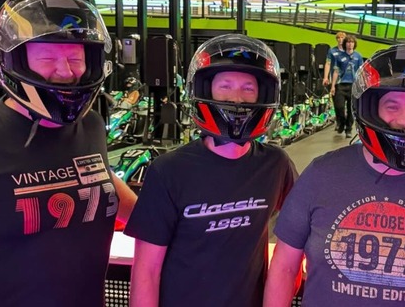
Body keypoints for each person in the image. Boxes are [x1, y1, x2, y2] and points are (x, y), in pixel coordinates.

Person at [0, 0, 137, 307]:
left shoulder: (91, 125)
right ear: (13, 63)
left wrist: (173, 216)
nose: (66, 72)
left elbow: (97, 174)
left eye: (75, 59)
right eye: (47, 59)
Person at [266, 44, 405, 307]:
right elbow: (284, 267)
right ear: (370, 109)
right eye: (391, 106)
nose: (404, 121)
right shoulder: (321, 174)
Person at [125, 34, 297, 307]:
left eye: (248, 88)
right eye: (225, 86)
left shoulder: (276, 165)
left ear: (264, 94)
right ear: (205, 91)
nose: (237, 98)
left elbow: (299, 236)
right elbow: (146, 270)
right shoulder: (169, 171)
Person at [330, 34, 364, 138]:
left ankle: (348, 129)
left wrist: (361, 86)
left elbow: (361, 72)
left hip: (353, 86)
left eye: (352, 42)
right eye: (348, 42)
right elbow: (336, 71)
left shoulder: (358, 56)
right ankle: (341, 123)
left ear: (354, 44)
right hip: (340, 85)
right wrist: (333, 86)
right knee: (339, 107)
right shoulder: (339, 57)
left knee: (351, 109)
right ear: (345, 44)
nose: (350, 44)